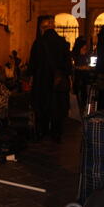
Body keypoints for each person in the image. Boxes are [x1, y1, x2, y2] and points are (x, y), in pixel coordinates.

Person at [29, 15, 73, 143]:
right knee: (58, 107)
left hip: (41, 81)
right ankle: (56, 132)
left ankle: (42, 131)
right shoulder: (63, 43)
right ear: (53, 27)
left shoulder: (38, 43)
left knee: (42, 106)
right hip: (58, 81)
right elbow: (68, 65)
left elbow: (32, 65)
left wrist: (32, 78)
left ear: (43, 28)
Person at [71, 36, 90, 113]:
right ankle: (78, 107)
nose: (86, 47)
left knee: (83, 91)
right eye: (84, 45)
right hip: (78, 75)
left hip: (84, 75)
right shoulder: (75, 54)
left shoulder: (85, 53)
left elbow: (87, 61)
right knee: (78, 89)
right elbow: (73, 66)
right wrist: (81, 68)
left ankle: (83, 106)